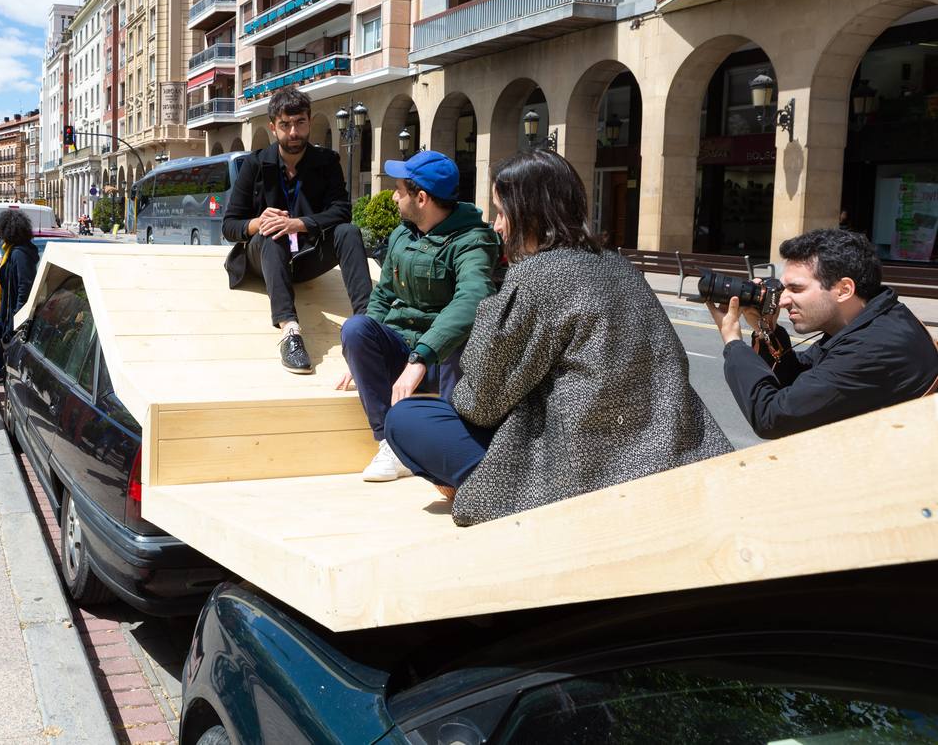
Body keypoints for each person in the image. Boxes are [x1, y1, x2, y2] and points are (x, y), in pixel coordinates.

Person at [384, 149, 733, 526]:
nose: (497, 226)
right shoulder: (618, 264)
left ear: (529, 213)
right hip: (673, 447)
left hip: (579, 467)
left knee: (406, 418)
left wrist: (490, 315)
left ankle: (472, 486)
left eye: (502, 212)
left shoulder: (536, 277)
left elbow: (478, 404)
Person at [338, 150, 500, 482]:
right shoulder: (402, 234)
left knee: (463, 336)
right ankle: (390, 444)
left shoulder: (472, 240)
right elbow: (382, 296)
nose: (394, 197)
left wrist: (422, 356)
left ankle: (452, 449)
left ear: (422, 197)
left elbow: (473, 297)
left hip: (441, 361)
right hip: (402, 352)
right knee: (356, 329)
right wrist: (359, 356)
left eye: (399, 190)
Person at [708, 227, 938, 438]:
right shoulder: (873, 317)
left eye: (796, 288)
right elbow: (802, 376)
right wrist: (766, 328)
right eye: (782, 287)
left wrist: (733, 343)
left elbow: (772, 417)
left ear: (843, 290)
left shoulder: (872, 348)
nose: (783, 300)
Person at [221, 85, 372, 373]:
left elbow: (342, 210)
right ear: (273, 127)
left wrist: (298, 224)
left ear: (309, 122)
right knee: (273, 232)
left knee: (348, 231)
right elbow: (229, 225)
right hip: (263, 258)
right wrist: (259, 222)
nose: (293, 132)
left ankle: (369, 324)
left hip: (305, 257)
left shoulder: (327, 162)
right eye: (285, 125)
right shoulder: (254, 165)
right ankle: (290, 331)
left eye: (300, 123)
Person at [0, 210, 39, 384]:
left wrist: (17, 318)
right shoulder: (12, 251)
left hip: (13, 311)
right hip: (6, 308)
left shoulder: (19, 253)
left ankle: (2, 373)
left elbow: (24, 286)